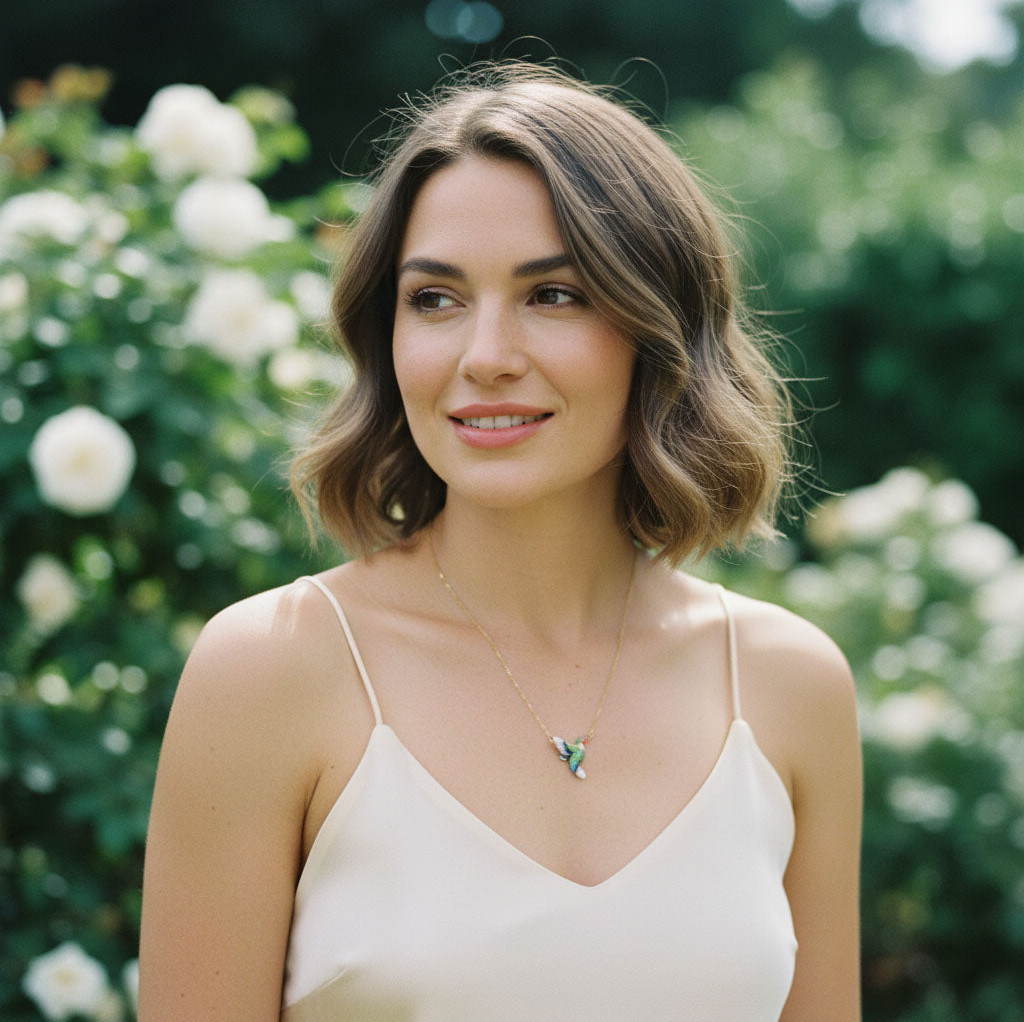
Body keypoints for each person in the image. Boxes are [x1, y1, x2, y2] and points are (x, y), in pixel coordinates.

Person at [138, 61, 862, 1021]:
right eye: (434, 299)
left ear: (660, 328)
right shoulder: (271, 673)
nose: (483, 357)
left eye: (553, 295)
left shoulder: (785, 685)